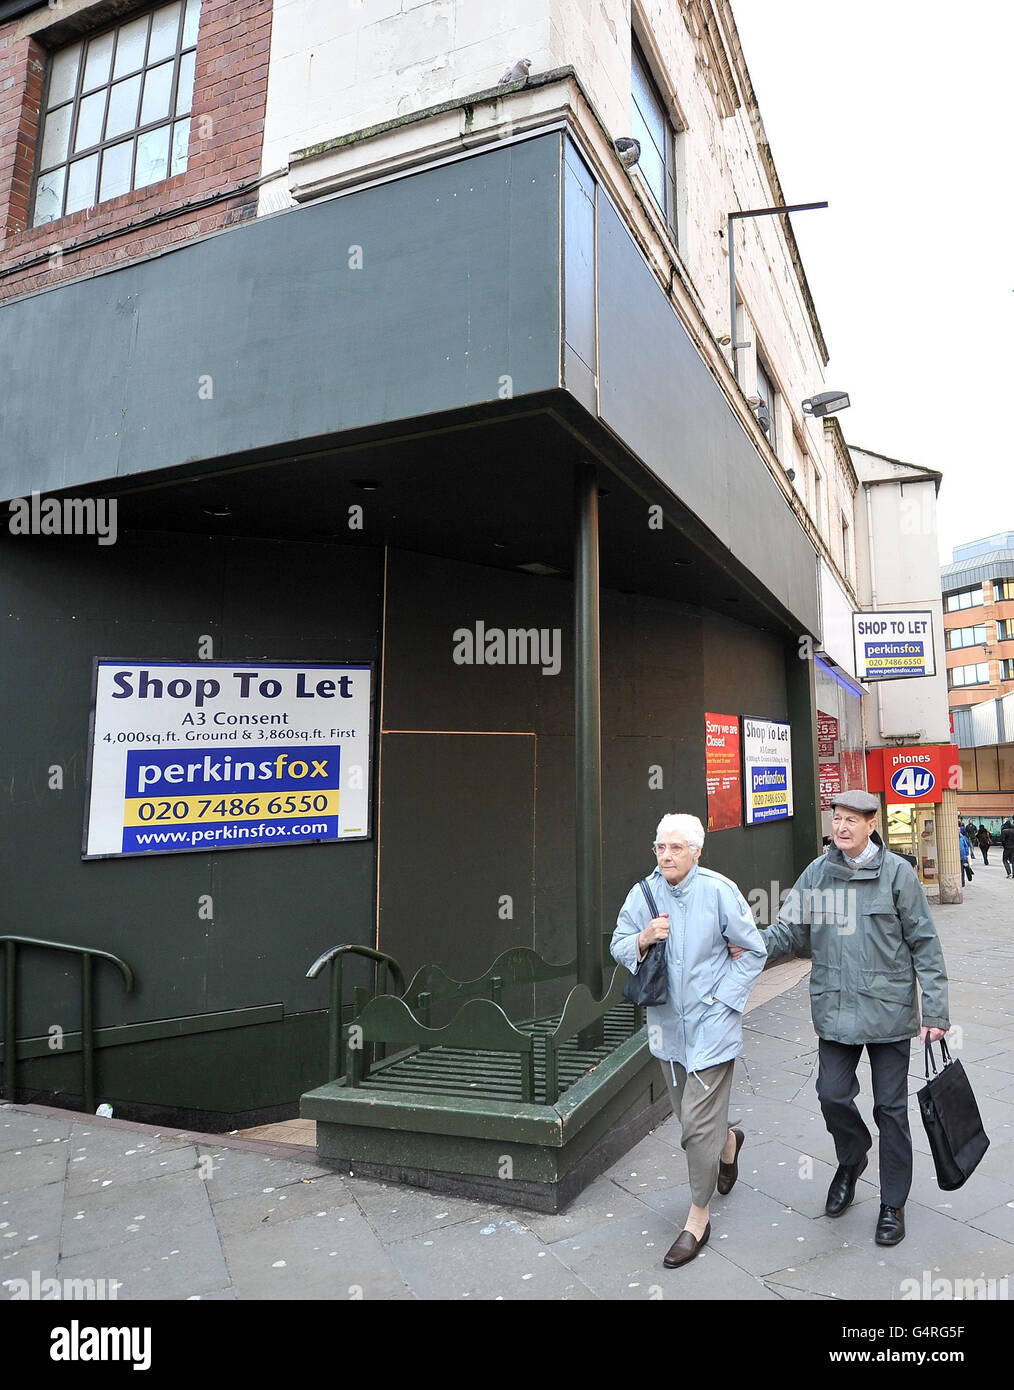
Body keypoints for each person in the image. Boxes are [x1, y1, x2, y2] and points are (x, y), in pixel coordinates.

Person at [733, 790, 949, 1247]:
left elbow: (925, 944)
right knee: (831, 1094)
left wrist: (935, 1011)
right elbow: (790, 931)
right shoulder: (818, 872)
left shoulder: (897, 874)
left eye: (852, 819)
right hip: (835, 1007)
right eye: (837, 818)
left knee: (889, 1109)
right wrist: (748, 942)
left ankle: (893, 1201)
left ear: (872, 824)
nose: (842, 826)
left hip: (889, 1011)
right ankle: (852, 1159)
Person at [610, 813, 766, 1269]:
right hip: (666, 1031)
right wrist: (642, 938)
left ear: (696, 852)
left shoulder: (719, 891)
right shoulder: (645, 892)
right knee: (691, 1122)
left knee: (694, 1129)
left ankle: (698, 1217)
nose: (666, 856)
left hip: (712, 1028)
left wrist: (724, 1002)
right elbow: (617, 943)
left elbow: (752, 950)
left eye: (676, 848)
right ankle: (728, 1143)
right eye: (660, 847)